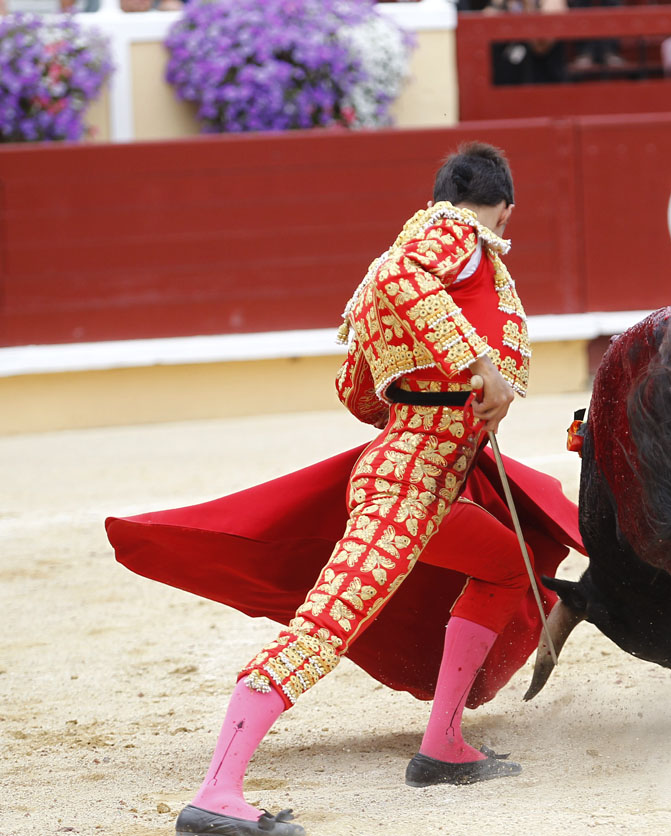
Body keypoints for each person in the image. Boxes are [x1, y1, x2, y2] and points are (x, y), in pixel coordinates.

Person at [172, 142, 535, 836]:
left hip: (417, 477)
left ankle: (444, 745)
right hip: (406, 486)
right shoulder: (453, 234)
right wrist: (478, 365)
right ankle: (217, 792)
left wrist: (430, 391)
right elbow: (403, 278)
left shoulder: (416, 257)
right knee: (324, 626)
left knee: (503, 566)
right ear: (505, 208)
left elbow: (358, 391)